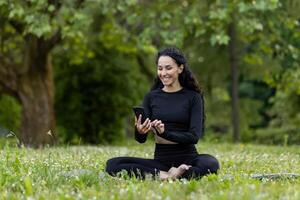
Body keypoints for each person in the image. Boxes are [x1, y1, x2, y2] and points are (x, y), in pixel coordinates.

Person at [105, 47, 219, 180]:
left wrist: (164, 133)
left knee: (211, 164)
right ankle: (166, 175)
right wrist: (140, 131)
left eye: (168, 68)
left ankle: (171, 173)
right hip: (161, 161)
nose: (163, 73)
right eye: (160, 68)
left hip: (188, 158)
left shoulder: (193, 97)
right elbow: (141, 140)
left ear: (180, 68)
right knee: (113, 164)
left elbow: (194, 136)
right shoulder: (151, 97)